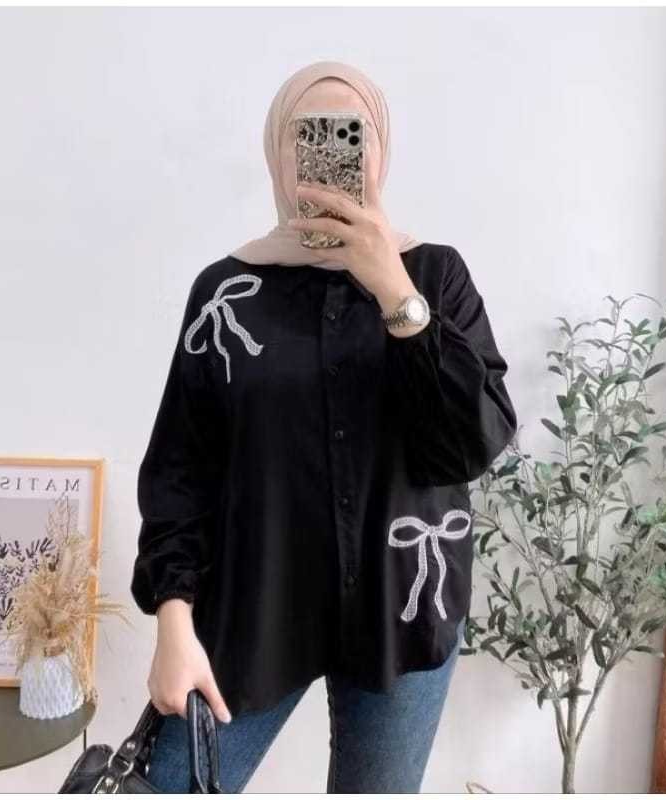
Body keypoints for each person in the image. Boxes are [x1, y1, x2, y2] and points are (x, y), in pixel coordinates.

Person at [130, 60, 517, 793]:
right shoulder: (227, 290)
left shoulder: (435, 277)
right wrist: (173, 624)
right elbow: (181, 470)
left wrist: (394, 290)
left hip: (402, 613)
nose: (332, 150)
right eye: (308, 134)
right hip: (255, 608)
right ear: (276, 153)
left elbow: (475, 442)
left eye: (352, 133)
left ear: (381, 152)